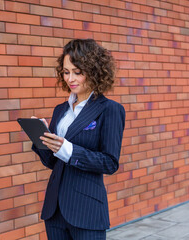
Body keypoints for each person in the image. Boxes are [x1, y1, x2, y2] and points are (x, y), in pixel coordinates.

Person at [31, 38, 125, 240]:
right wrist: (42, 140)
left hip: (86, 210)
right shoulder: (60, 111)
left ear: (94, 71)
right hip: (54, 210)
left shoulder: (110, 110)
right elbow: (52, 163)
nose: (70, 78)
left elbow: (109, 162)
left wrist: (68, 149)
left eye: (77, 72)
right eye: (66, 72)